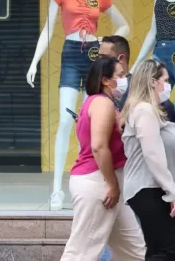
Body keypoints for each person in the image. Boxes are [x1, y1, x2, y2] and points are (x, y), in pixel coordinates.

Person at [60, 57, 144, 260]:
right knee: (81, 253)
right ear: (106, 80)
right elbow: (99, 147)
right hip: (100, 183)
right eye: (120, 76)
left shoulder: (101, 103)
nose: (124, 80)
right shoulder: (101, 103)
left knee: (135, 252)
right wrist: (113, 185)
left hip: (108, 183)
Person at [120, 59, 175, 260]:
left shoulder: (147, 110)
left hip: (150, 188)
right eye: (165, 80)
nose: (168, 85)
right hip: (147, 189)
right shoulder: (144, 110)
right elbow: (153, 155)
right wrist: (171, 191)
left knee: (157, 250)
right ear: (152, 82)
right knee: (172, 251)